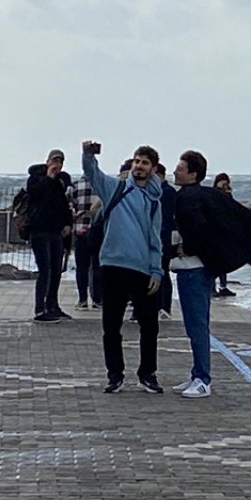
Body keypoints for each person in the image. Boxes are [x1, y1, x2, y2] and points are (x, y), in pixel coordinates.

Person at [171, 152, 251, 398]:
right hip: (200, 269)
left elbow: (198, 231)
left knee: (196, 325)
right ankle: (197, 372)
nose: (176, 171)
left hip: (193, 269)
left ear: (193, 174)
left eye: (181, 168)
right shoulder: (204, 195)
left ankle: (202, 379)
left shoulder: (188, 198)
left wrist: (185, 249)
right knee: (196, 323)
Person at [82, 140, 165, 394]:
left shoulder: (153, 202)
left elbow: (155, 239)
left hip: (141, 269)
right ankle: (115, 375)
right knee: (111, 325)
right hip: (113, 265)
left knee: (149, 325)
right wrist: (88, 154)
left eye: (145, 163)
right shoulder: (115, 188)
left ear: (153, 169)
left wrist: (156, 270)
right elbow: (92, 174)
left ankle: (147, 374)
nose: (139, 166)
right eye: (136, 161)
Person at [25, 148, 74, 323]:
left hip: (56, 232)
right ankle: (40, 309)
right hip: (39, 231)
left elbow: (64, 205)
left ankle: (53, 305)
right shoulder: (36, 178)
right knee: (45, 270)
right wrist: (49, 178)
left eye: (60, 162)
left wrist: (68, 224)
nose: (57, 165)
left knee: (56, 271)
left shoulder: (62, 183)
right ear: (47, 162)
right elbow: (35, 194)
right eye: (54, 161)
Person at [68, 175, 103, 309]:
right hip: (98, 230)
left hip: (80, 230)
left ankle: (82, 300)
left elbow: (69, 206)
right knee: (97, 266)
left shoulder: (75, 185)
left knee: (81, 267)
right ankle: (97, 300)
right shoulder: (102, 185)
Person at [155, 163, 177, 320]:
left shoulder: (167, 192)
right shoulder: (156, 191)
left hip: (164, 237)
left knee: (163, 272)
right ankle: (158, 305)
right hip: (157, 236)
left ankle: (165, 306)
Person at [211, 173, 236, 298]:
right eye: (222, 182)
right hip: (214, 231)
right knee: (214, 261)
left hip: (225, 231)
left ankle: (223, 286)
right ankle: (212, 287)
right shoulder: (213, 193)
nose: (225, 184)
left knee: (224, 262)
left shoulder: (228, 194)